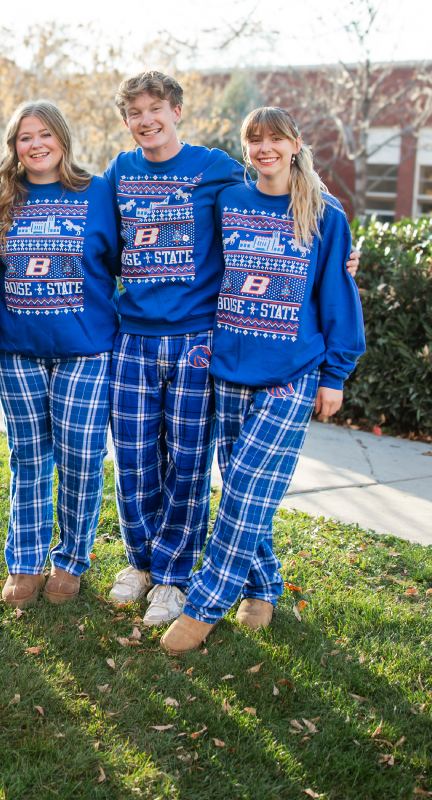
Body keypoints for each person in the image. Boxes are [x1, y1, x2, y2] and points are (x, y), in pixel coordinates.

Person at [102, 72, 362, 627]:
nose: (146, 120)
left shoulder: (218, 169)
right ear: (126, 121)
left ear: (176, 110)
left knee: (190, 464)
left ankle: (175, 577)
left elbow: (289, 191)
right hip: (134, 336)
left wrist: (338, 246)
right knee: (134, 459)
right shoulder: (119, 172)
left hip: (200, 339)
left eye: (156, 108)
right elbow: (94, 236)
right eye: (135, 112)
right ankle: (141, 562)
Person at [160, 107, 365, 655]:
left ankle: (205, 603)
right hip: (227, 367)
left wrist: (335, 375)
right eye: (255, 140)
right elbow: (193, 262)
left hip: (292, 372)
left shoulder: (325, 215)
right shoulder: (230, 201)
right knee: (242, 488)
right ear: (245, 148)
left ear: (296, 144)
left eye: (276, 138)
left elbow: (337, 296)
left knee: (247, 486)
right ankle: (263, 587)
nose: (264, 148)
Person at [0, 100, 120, 608]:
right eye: (25, 137)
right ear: (14, 147)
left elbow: (136, 259)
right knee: (30, 458)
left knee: (82, 459)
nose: (36, 144)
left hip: (84, 348)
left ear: (63, 138)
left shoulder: (98, 193)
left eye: (45, 134)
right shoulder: (0, 202)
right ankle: (24, 561)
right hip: (18, 350)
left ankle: (71, 560)